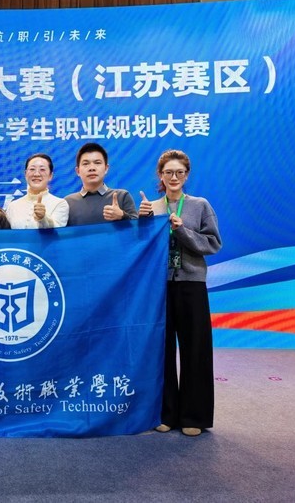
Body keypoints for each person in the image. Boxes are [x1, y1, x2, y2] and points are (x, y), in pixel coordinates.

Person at [138, 149, 222, 437]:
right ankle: (165, 413)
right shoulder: (152, 207)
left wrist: (182, 230)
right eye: (168, 172)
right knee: (161, 351)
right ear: (160, 176)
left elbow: (213, 244)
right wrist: (141, 223)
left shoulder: (200, 205)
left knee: (195, 349)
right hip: (159, 286)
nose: (174, 177)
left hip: (191, 285)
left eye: (179, 172)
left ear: (186, 175)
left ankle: (193, 415)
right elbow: (141, 249)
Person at [64, 142, 137, 226]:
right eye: (86, 164)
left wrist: (123, 216)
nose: (92, 168)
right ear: (78, 171)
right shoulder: (68, 202)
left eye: (97, 163)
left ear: (106, 168)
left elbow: (137, 229)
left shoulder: (122, 196)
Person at [5, 153, 69, 229]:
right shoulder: (13, 206)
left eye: (42, 169)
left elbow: (57, 231)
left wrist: (43, 218)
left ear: (50, 176)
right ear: (25, 174)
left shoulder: (60, 204)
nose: (36, 174)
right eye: (32, 169)